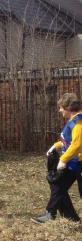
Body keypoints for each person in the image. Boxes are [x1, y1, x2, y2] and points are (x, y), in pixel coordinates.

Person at [32, 93, 82, 224]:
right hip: (73, 162)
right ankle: (56, 215)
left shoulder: (79, 123)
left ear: (69, 107)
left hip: (78, 162)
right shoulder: (72, 121)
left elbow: (77, 145)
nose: (59, 110)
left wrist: (63, 159)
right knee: (57, 185)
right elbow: (68, 141)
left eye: (61, 107)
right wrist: (56, 146)